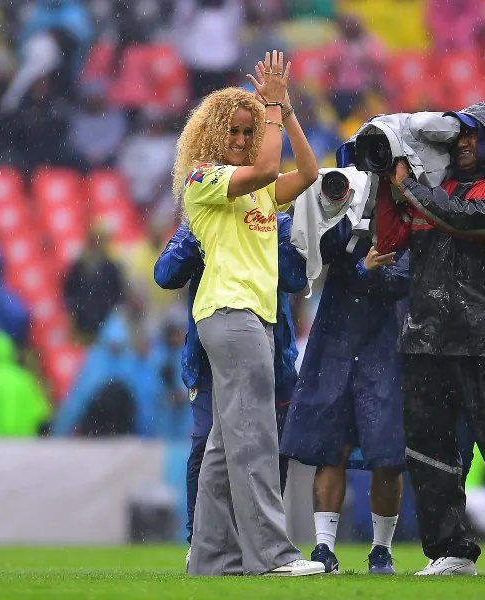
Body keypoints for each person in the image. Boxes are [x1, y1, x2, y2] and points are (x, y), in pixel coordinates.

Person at [173, 50, 323, 577]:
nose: (240, 140)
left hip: (252, 317)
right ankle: (273, 557)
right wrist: (271, 112)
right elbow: (266, 165)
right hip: (229, 312)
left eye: (246, 130)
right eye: (232, 132)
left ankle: (212, 559)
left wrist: (285, 108)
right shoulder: (202, 180)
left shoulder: (257, 192)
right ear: (212, 137)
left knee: (222, 444)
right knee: (257, 435)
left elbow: (307, 171)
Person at [375, 101, 485, 575]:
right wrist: (389, 183)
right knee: (428, 451)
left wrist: (409, 186)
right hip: (424, 340)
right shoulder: (433, 190)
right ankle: (450, 552)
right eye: (458, 136)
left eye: (474, 135)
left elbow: (468, 220)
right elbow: (387, 241)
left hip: (484, 341)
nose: (463, 143)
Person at [154, 210, 307, 565]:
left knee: (268, 448)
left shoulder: (273, 218)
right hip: (211, 353)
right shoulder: (203, 215)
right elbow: (165, 273)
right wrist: (203, 235)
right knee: (207, 439)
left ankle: (251, 541)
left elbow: (295, 276)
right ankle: (202, 542)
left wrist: (259, 234)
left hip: (270, 352)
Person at [279, 217, 408, 575]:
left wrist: (369, 271)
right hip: (337, 337)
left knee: (387, 453)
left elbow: (404, 279)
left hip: (385, 340)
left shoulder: (409, 206)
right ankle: (324, 548)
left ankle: (381, 551)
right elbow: (314, 253)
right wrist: (339, 211)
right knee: (331, 447)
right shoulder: (341, 204)